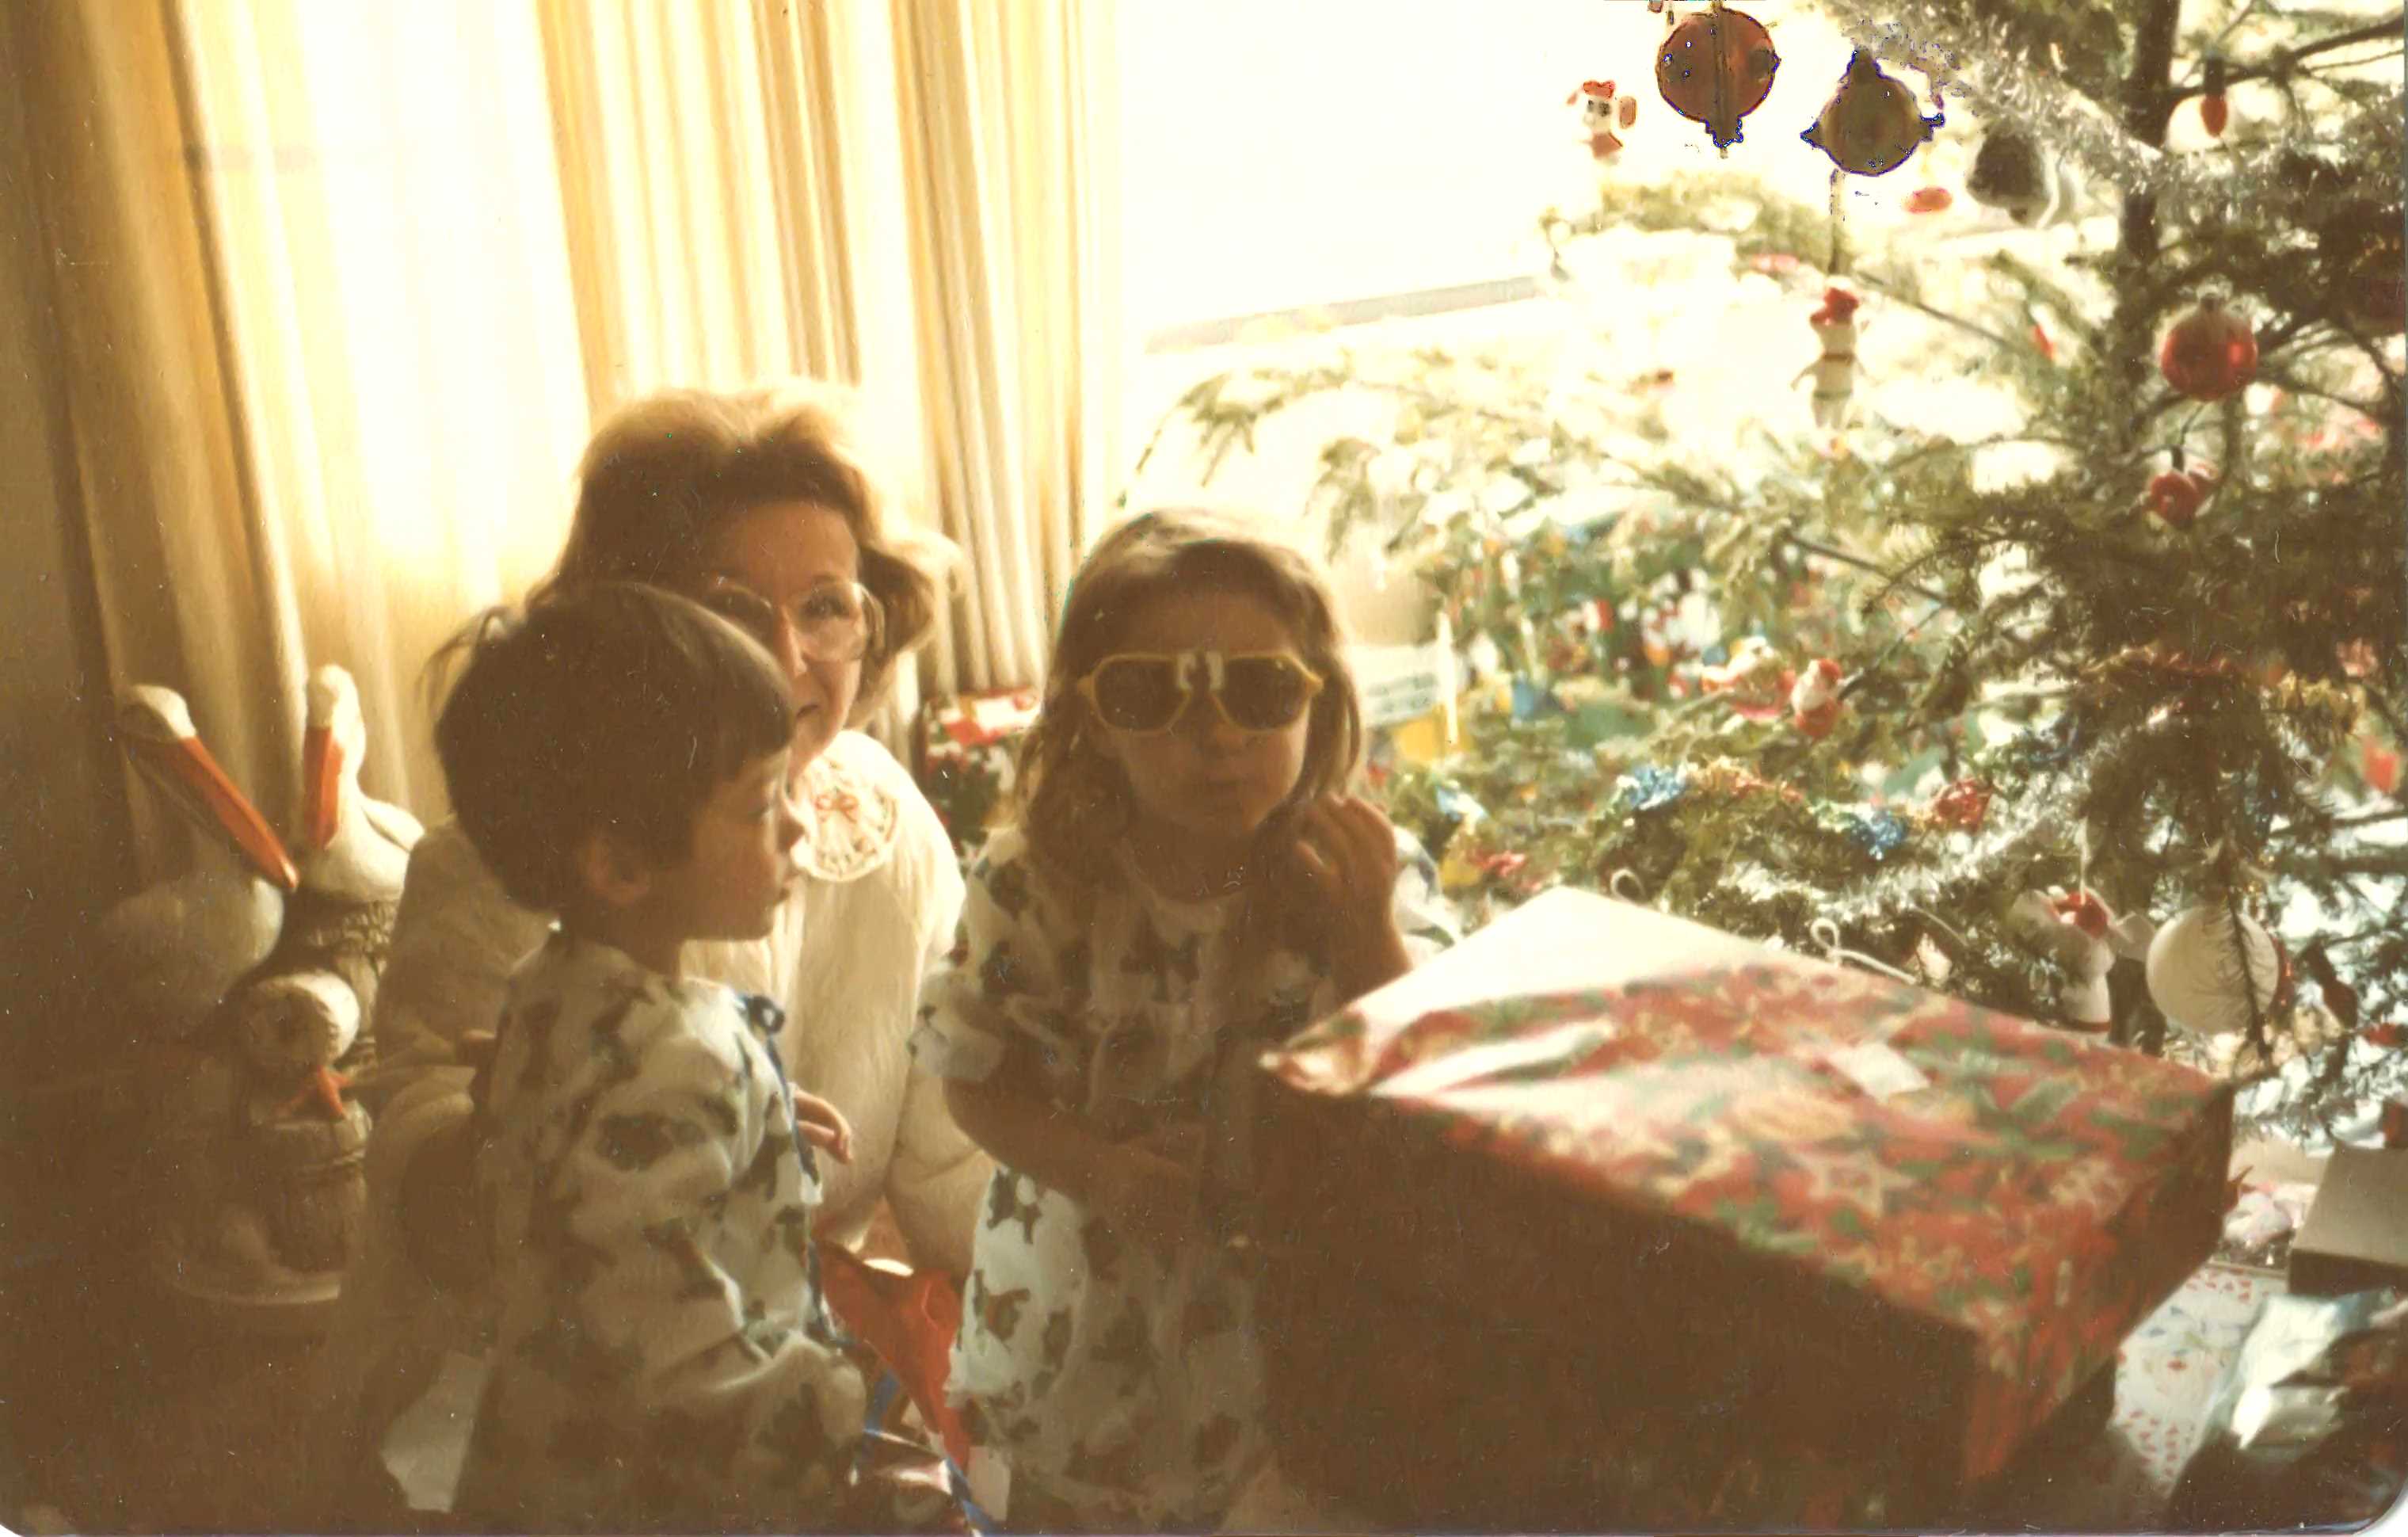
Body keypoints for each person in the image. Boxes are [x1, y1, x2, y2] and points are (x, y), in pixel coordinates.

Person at [300, 381, 985, 1520]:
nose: (787, 658)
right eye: (728, 608)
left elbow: (957, 1162)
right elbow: (427, 1181)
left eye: (825, 607)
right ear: (633, 632)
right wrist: (532, 1148)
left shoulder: (887, 821)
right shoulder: (514, 855)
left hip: (759, 1355)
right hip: (525, 1400)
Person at [910, 508, 1459, 1531]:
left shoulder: (1358, 873)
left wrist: (1364, 936)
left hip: (1288, 1310)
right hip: (1088, 1303)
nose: (1217, 735)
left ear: (1321, 699)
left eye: (1260, 689)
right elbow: (972, 1078)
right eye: (1150, 693)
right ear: (1090, 717)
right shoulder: (1036, 882)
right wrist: (1101, 1171)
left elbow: (1428, 1073)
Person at [427, 582, 958, 1532]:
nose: (797, 825)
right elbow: (670, 1351)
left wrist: (754, 1103)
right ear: (621, 866)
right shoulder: (676, 1063)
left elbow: (598, 1155)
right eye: (760, 804)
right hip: (666, 1490)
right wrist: (840, 1406)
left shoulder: (551, 992)